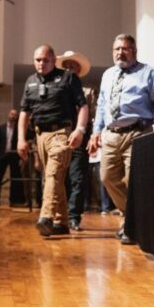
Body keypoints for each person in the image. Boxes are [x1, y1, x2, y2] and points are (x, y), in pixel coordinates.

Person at [87, 34, 154, 244]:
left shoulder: (148, 72)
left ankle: (132, 225)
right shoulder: (108, 75)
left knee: (134, 181)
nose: (120, 53)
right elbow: (103, 103)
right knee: (107, 177)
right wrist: (96, 131)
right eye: (116, 49)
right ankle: (133, 217)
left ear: (134, 51)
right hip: (111, 135)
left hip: (137, 133)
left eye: (124, 48)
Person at [18, 45, 89, 237]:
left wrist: (79, 130)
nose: (41, 63)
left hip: (61, 133)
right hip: (40, 136)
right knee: (54, 178)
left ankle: (46, 216)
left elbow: (83, 106)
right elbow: (24, 112)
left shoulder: (68, 78)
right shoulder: (30, 81)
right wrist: (21, 139)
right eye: (38, 60)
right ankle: (62, 220)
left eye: (45, 60)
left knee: (53, 174)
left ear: (53, 60)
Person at [57, 50, 96, 231]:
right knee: (59, 178)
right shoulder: (57, 90)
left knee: (78, 179)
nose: (69, 69)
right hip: (59, 138)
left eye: (73, 66)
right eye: (66, 66)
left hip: (80, 140)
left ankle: (74, 217)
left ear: (78, 70)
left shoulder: (88, 92)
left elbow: (93, 117)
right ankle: (60, 215)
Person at [0, 109, 23, 206]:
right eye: (11, 114)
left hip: (14, 155)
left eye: (15, 115)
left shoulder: (19, 129)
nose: (13, 116)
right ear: (8, 115)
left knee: (14, 178)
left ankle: (13, 201)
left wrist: (21, 157)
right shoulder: (1, 127)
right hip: (2, 155)